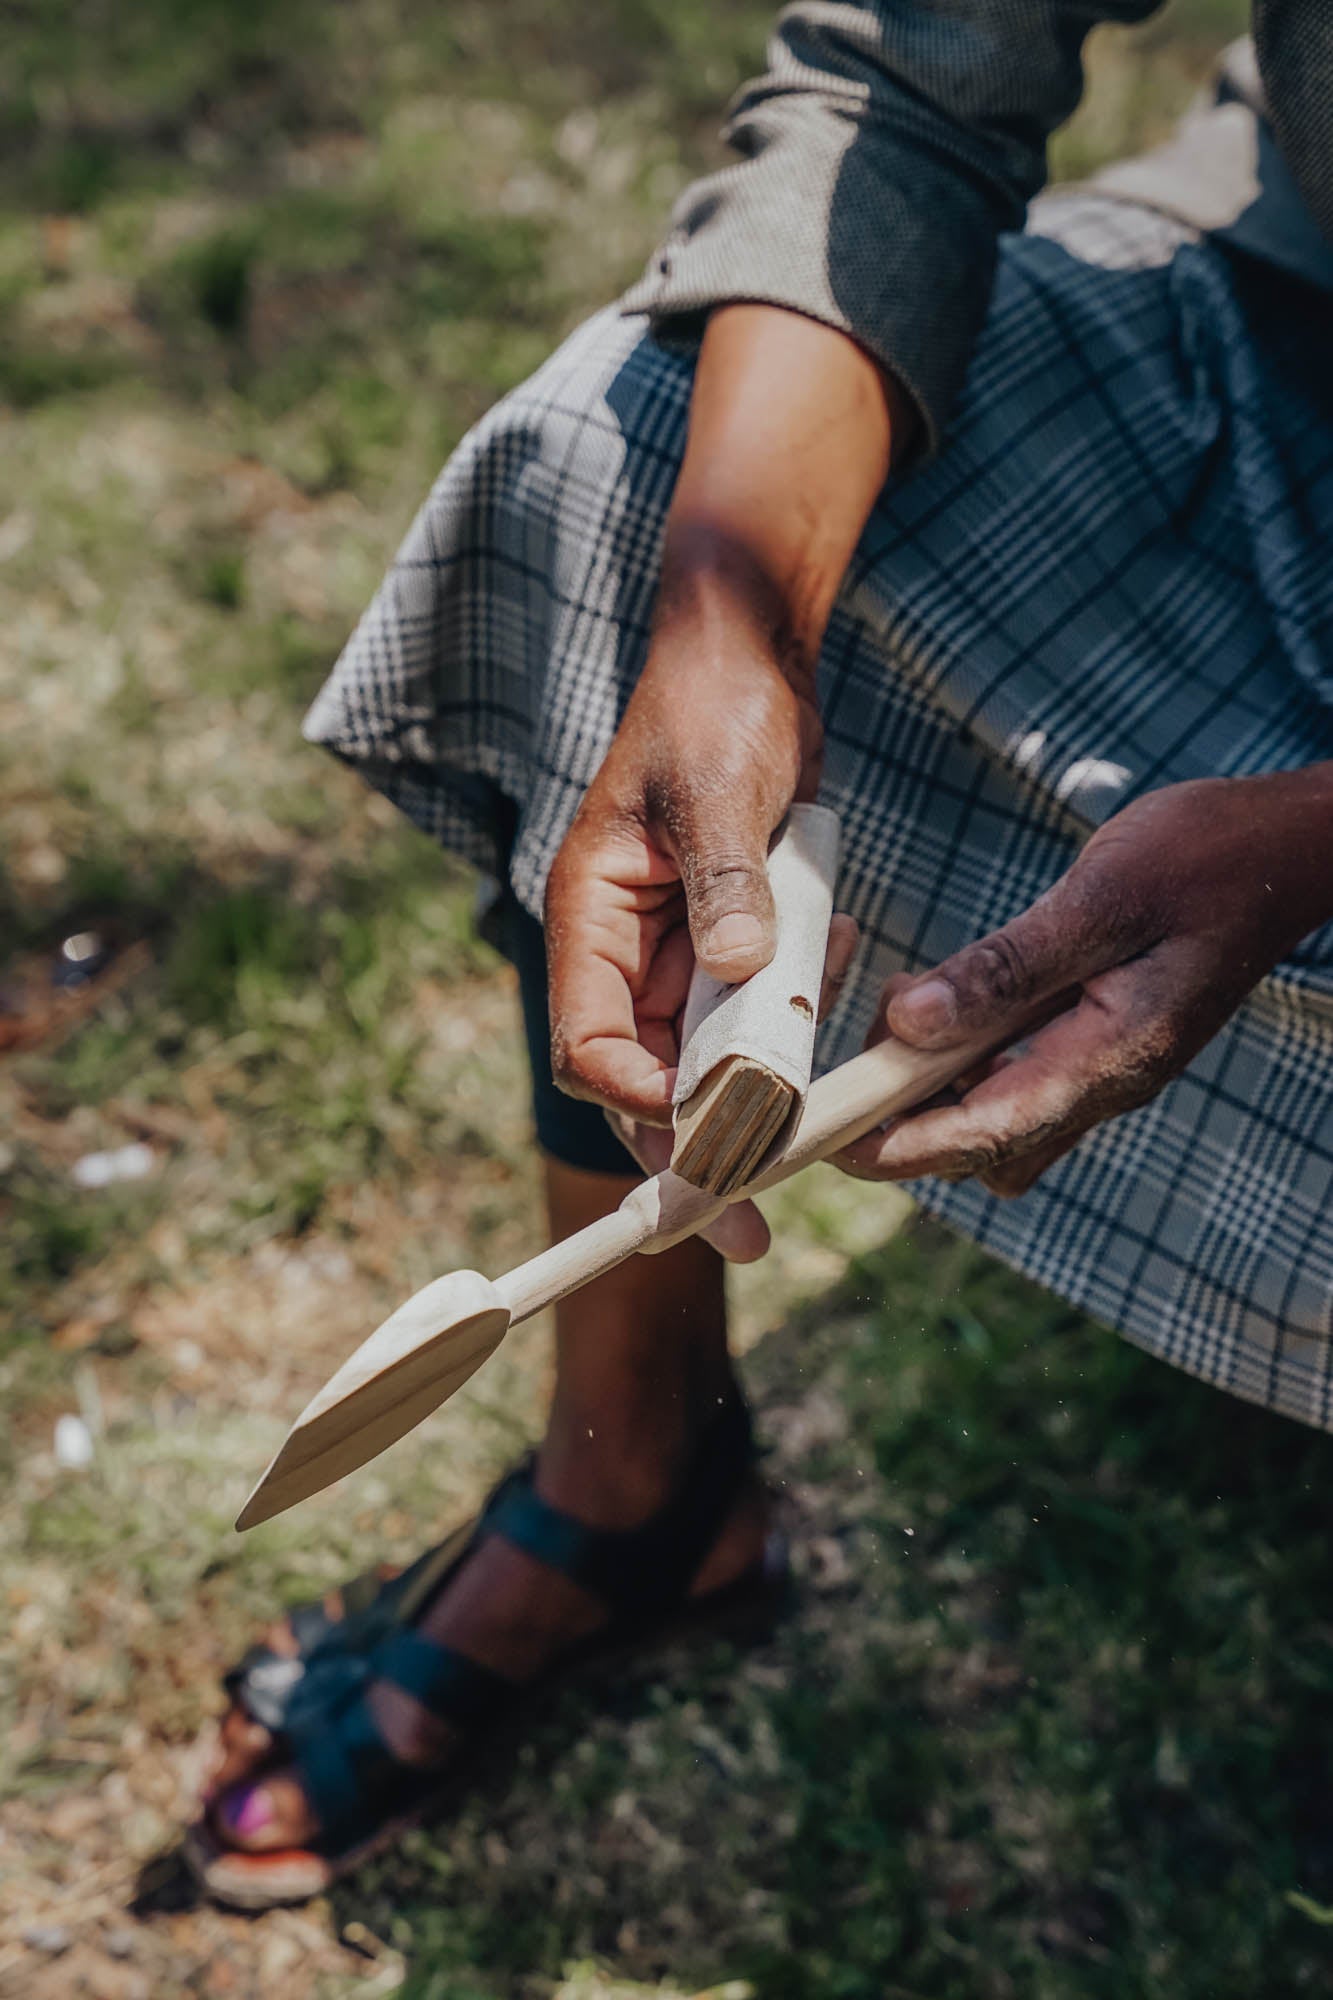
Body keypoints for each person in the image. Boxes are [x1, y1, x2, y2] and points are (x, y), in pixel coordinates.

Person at [188, 4, 1333, 1907]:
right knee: (632, 464)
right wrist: (733, 619)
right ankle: (634, 1488)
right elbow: (904, 91)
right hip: (1294, 327)